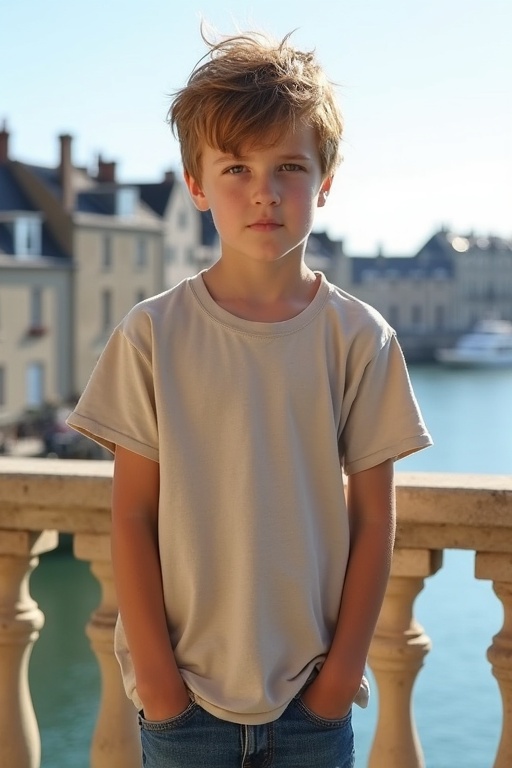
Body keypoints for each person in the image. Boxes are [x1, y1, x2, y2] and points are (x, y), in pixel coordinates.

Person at [67, 26, 432, 768]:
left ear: (324, 182)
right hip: (182, 708)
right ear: (196, 185)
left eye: (289, 166)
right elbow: (132, 515)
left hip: (311, 705)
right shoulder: (151, 336)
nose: (263, 190)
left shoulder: (362, 339)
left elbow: (374, 520)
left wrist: (334, 687)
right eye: (235, 166)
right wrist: (164, 689)